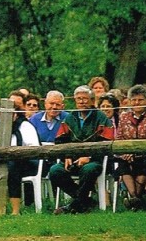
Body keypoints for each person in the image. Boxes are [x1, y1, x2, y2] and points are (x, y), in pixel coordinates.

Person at [49, 86, 115, 214]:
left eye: (85, 99)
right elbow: (60, 140)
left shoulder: (101, 118)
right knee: (55, 171)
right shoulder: (69, 118)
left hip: (94, 160)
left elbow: (106, 143)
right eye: (78, 99)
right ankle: (85, 201)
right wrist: (66, 156)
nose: (81, 102)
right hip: (72, 159)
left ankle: (74, 205)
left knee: (88, 169)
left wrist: (89, 157)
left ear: (91, 100)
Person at [0, 94, 42, 215]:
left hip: (30, 162)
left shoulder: (25, 126)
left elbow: (34, 148)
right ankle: (12, 210)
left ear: (16, 114)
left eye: (11, 115)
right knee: (11, 167)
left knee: (12, 166)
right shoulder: (1, 128)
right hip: (11, 163)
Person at [116, 84, 146, 210]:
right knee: (122, 163)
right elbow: (120, 138)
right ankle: (136, 198)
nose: (137, 102)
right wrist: (126, 152)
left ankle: (133, 200)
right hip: (126, 155)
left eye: (140, 100)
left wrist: (135, 152)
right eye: (134, 100)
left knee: (143, 163)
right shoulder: (124, 116)